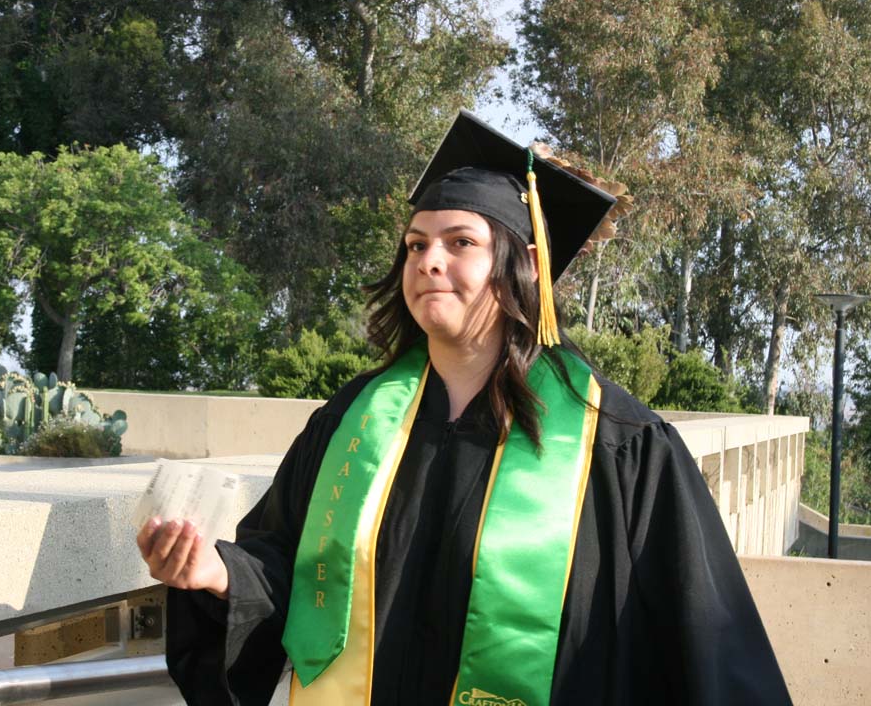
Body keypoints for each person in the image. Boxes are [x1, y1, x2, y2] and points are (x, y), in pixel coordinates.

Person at [138, 110, 792, 706]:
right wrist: (217, 573)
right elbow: (290, 567)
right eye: (416, 245)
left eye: (460, 242)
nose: (429, 261)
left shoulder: (617, 447)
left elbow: (706, 645)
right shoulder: (350, 425)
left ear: (526, 266)